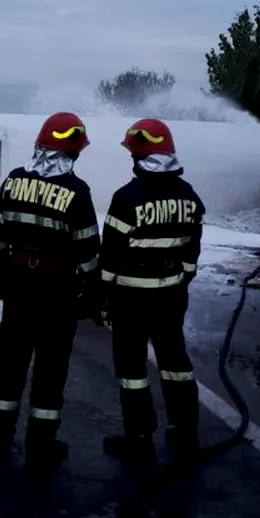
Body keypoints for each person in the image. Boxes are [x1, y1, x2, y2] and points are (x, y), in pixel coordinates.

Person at [0, 111, 101, 472]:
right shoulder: (77, 192)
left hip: (18, 287)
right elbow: (88, 253)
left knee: (9, 363)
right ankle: (41, 445)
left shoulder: (14, 181)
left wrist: (1, 276)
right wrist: (92, 296)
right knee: (50, 369)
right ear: (73, 151)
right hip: (58, 292)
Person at [99, 118, 206, 467]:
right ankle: (185, 430)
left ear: (139, 156)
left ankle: (139, 438)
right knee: (175, 361)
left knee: (132, 368)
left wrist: (104, 298)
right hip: (171, 296)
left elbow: (110, 256)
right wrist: (181, 280)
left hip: (130, 297)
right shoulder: (190, 196)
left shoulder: (126, 198)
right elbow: (192, 251)